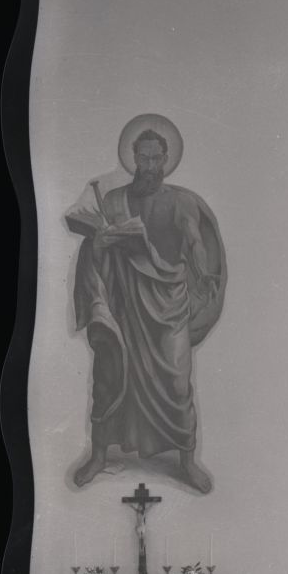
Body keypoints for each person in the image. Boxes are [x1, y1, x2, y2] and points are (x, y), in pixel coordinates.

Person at [68, 118, 226, 493]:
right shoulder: (113, 201)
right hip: (124, 303)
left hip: (169, 307)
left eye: (157, 159)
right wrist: (101, 244)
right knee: (109, 374)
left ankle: (187, 460)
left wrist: (202, 270)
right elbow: (95, 253)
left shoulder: (181, 200)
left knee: (176, 381)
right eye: (144, 158)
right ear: (134, 158)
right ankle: (99, 455)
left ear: (167, 158)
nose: (150, 167)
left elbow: (193, 239)